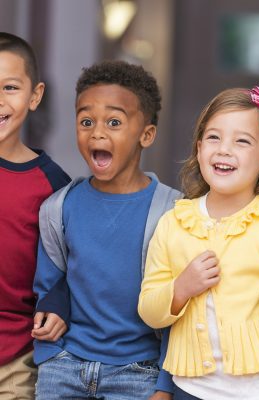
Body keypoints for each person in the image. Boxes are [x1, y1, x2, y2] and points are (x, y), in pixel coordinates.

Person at [138, 87, 259, 400]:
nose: (224, 150)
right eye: (213, 137)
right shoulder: (173, 223)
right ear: (198, 147)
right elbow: (149, 311)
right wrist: (180, 289)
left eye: (242, 141)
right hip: (190, 390)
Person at [32, 60, 180, 400]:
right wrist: (50, 343)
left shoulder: (172, 212)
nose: (97, 133)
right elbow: (50, 285)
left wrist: (164, 385)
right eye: (86, 121)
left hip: (139, 372)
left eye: (114, 122)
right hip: (66, 365)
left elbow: (180, 310)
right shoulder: (59, 207)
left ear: (147, 134)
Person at [0, 32, 70, 399]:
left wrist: (56, 305)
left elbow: (65, 268)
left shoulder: (53, 186)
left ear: (35, 95)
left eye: (10, 87)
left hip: (15, 360)